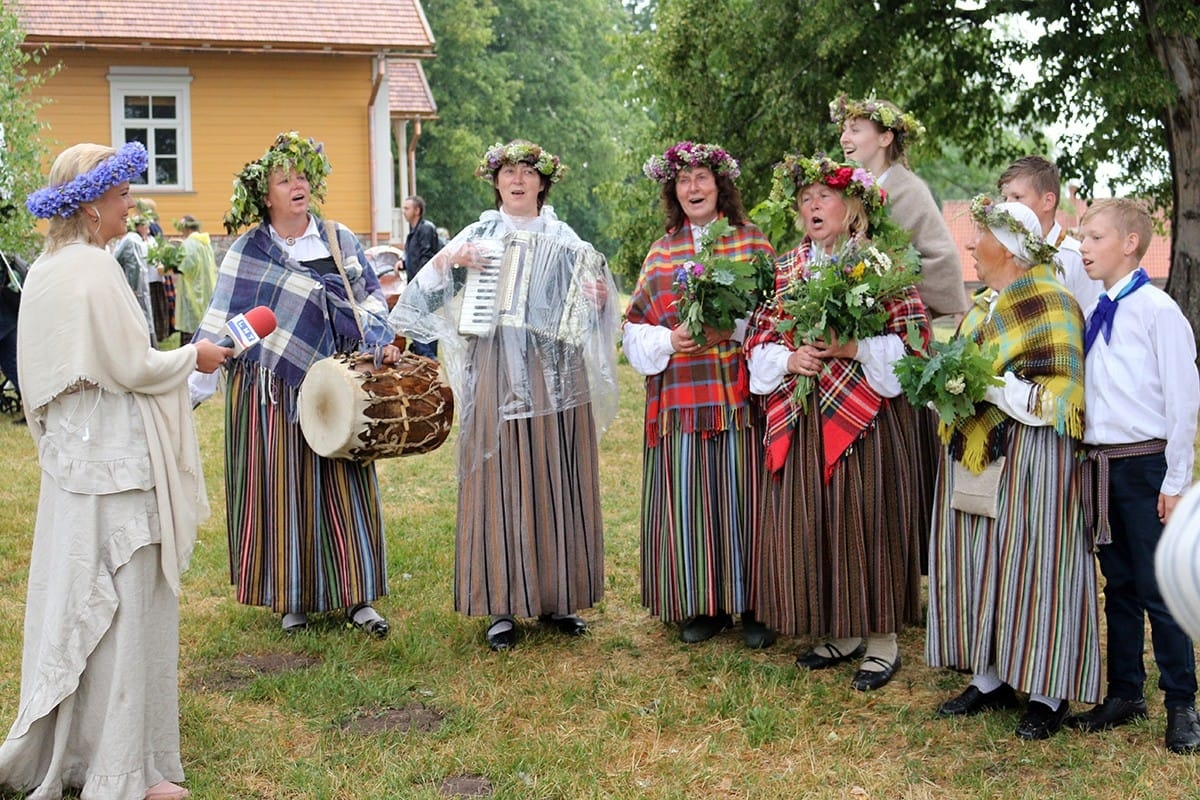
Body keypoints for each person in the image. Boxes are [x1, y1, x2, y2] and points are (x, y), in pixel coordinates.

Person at [0, 141, 230, 800]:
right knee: (126, 615)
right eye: (123, 193)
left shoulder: (46, 268)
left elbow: (44, 380)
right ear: (93, 204)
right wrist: (197, 355)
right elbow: (134, 367)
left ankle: (82, 755)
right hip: (116, 469)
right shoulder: (94, 271)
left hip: (74, 468)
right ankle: (125, 770)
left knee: (82, 606)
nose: (131, 203)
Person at [390, 140, 619, 651]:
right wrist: (450, 260)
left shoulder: (567, 239)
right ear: (496, 182)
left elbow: (596, 316)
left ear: (542, 182)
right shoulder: (478, 235)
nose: (517, 180)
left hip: (558, 374)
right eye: (508, 172)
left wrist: (601, 301)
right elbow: (421, 295)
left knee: (557, 470)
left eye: (527, 172)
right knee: (500, 472)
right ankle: (500, 603)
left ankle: (560, 596)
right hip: (495, 366)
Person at [192, 131, 402, 636]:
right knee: (284, 487)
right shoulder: (248, 250)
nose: (296, 185)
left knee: (346, 485)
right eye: (283, 180)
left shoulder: (337, 238)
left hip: (337, 383)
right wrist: (188, 392)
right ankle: (293, 599)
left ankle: (359, 597)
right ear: (265, 195)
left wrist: (381, 339)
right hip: (272, 390)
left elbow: (370, 298)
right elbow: (222, 321)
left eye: (302, 176)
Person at [745, 154, 928, 689]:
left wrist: (852, 346)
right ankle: (844, 631)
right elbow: (759, 339)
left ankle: (882, 640)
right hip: (804, 416)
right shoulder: (785, 269)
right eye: (805, 200)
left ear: (853, 208)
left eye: (823, 197)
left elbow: (914, 343)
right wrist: (788, 359)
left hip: (865, 420)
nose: (812, 207)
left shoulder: (884, 265)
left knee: (866, 521)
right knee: (820, 520)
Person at [926, 197, 1100, 740]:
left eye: (979, 239)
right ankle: (991, 675)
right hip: (980, 453)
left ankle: (1048, 693)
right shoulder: (983, 307)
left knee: (1038, 563)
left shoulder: (1055, 302)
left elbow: (1060, 400)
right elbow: (957, 375)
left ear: (1005, 247)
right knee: (979, 560)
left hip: (1035, 457)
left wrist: (987, 384)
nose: (972, 248)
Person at [624, 141, 776, 648]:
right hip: (682, 404)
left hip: (741, 402)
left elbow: (778, 319)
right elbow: (634, 328)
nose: (693, 187)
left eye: (702, 179)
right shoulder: (663, 250)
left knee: (745, 500)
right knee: (692, 502)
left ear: (720, 186)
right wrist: (670, 339)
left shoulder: (752, 243)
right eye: (684, 180)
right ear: (674, 190)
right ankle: (706, 603)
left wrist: (730, 331)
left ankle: (756, 603)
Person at [1066, 198, 1200, 753]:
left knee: (1157, 586)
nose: (1083, 247)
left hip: (1145, 465)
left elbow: (1182, 401)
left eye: (1094, 238)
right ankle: (1125, 690)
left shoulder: (1156, 310)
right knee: (1117, 584)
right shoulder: (1091, 306)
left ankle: (1182, 702)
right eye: (1081, 237)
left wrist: (1175, 480)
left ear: (1129, 244)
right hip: (1100, 465)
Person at [997, 155, 1104, 312]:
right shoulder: (1004, 253)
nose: (1007, 206)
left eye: (1017, 197)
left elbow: (1091, 322)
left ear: (1048, 201)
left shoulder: (1076, 259)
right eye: (1005, 198)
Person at [401, 194, 441, 359]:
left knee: (421, 325)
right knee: (419, 325)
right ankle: (425, 357)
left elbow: (426, 258)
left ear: (417, 210)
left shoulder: (426, 229)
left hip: (425, 287)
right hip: (416, 285)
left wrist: (420, 284)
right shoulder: (413, 231)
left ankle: (430, 359)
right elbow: (414, 256)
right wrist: (403, 264)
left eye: (407, 208)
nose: (403, 211)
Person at [172, 214, 218, 346]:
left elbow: (186, 265)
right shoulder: (205, 242)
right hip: (206, 288)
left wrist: (171, 266)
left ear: (186, 229)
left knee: (191, 326)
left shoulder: (190, 244)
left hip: (191, 291)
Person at [113, 212, 156, 337]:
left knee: (141, 314)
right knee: (140, 314)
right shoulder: (132, 240)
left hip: (138, 286)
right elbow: (134, 265)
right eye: (145, 227)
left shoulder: (133, 240)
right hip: (135, 287)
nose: (148, 230)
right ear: (139, 227)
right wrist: (133, 286)